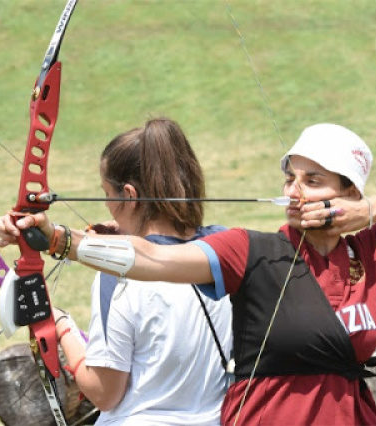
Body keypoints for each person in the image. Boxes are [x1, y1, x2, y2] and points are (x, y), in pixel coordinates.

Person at [0, 123, 376, 425]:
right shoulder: (252, 251)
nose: (295, 192)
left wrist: (371, 211)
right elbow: (152, 258)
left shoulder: (370, 251)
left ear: (348, 191)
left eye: (313, 180)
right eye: (290, 179)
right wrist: (58, 240)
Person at [23, 117, 233, 425]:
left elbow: (105, 393)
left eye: (107, 193)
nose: (107, 204)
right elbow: (166, 245)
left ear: (130, 196)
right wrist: (124, 235)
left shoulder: (116, 277)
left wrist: (63, 327)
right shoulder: (226, 250)